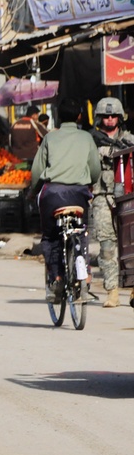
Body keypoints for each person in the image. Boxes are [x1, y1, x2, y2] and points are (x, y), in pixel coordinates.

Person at [30, 98, 101, 303]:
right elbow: (95, 169)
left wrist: (33, 191)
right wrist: (90, 182)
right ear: (79, 116)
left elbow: (37, 172)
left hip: (52, 195)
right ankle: (84, 271)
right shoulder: (86, 138)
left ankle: (57, 277)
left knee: (50, 237)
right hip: (79, 195)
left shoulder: (50, 139)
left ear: (58, 117)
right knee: (81, 231)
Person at [89, 97, 134, 307]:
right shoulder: (92, 140)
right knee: (107, 245)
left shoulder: (129, 138)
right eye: (105, 116)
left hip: (128, 198)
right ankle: (112, 291)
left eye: (113, 116)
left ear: (119, 117)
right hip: (101, 196)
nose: (109, 120)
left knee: (130, 244)